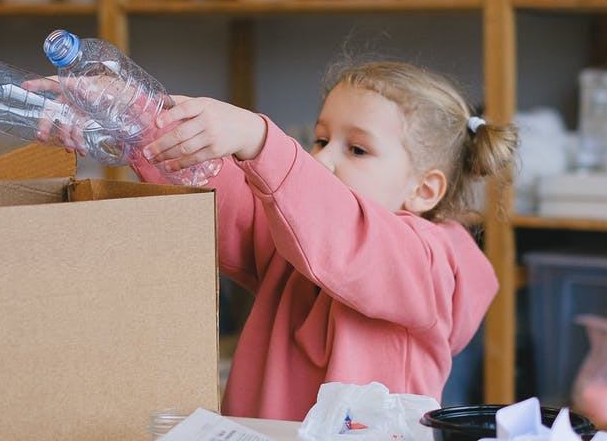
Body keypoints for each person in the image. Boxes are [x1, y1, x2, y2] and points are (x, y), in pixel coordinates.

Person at [134, 59, 518, 421]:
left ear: (424, 189)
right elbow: (227, 198)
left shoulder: (427, 261)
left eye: (357, 149)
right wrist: (135, 119)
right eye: (320, 140)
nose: (321, 160)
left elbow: (346, 238)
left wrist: (261, 140)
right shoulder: (297, 230)